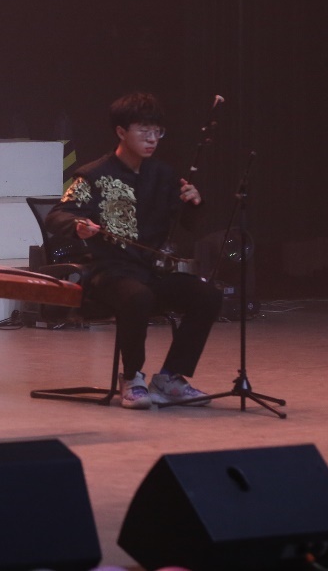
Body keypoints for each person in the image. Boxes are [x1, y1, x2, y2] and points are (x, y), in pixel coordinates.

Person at [45, 92, 223, 409]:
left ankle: (170, 377)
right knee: (136, 296)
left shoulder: (164, 175)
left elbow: (189, 224)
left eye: (157, 132)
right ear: (121, 131)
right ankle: (131, 377)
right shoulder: (93, 174)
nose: (152, 139)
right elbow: (57, 215)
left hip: (151, 272)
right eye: (144, 131)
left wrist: (194, 202)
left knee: (206, 294)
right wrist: (79, 225)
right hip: (108, 273)